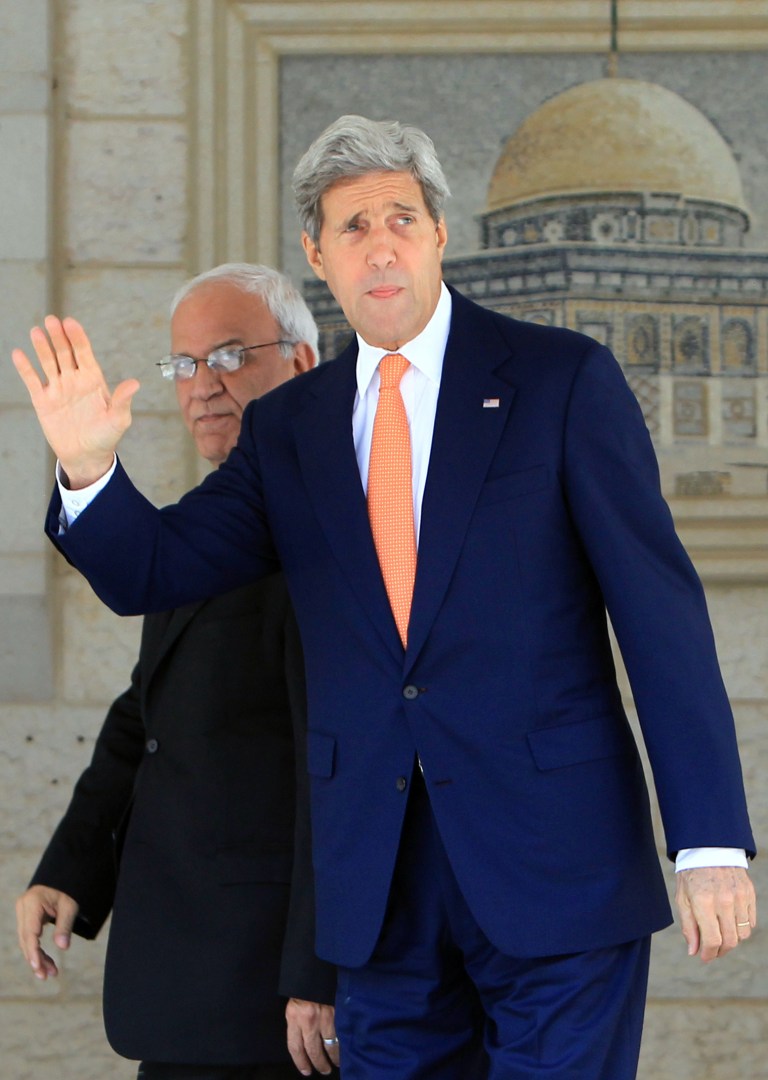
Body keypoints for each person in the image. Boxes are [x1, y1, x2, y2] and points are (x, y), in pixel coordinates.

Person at [13, 117, 757, 1080]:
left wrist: (706, 841)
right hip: (377, 890)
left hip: (555, 866)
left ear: (440, 231)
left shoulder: (558, 379)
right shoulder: (289, 431)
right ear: (319, 255)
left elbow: (661, 618)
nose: (382, 243)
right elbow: (154, 568)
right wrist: (86, 467)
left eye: (401, 215)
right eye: (352, 226)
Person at [14, 263, 340, 1080]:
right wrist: (72, 866)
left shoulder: (335, 528)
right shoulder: (199, 526)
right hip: (184, 986)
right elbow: (147, 713)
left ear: (302, 365)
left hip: (277, 1001)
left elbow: (340, 767)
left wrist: (322, 968)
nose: (202, 386)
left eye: (230, 356)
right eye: (184, 365)